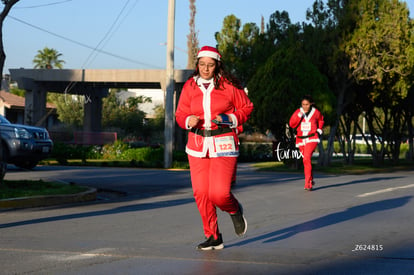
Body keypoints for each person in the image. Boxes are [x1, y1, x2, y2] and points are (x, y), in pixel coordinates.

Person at [175, 46, 254, 250]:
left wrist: (230, 118)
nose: (206, 69)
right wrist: (187, 120)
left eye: (210, 65)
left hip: (223, 143)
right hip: (198, 145)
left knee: (219, 194)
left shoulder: (227, 85)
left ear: (217, 65)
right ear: (197, 65)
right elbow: (180, 113)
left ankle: (235, 209)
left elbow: (247, 107)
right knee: (201, 193)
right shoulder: (190, 86)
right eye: (202, 65)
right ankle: (213, 236)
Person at [289, 95, 324, 191]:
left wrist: (319, 129)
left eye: (307, 104)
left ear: (311, 104)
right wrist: (299, 115)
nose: (305, 106)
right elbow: (292, 124)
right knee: (306, 161)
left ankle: (307, 183)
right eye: (303, 104)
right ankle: (310, 179)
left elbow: (321, 119)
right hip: (300, 139)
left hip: (312, 138)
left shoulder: (315, 112)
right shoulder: (298, 112)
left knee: (306, 158)